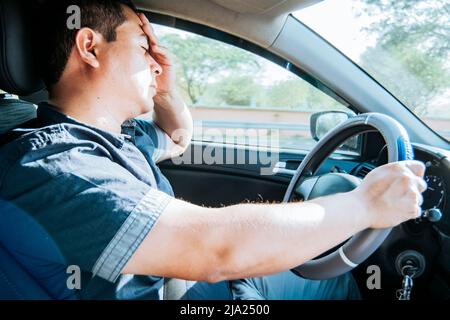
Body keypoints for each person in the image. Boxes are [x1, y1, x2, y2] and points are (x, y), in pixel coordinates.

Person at [0, 0, 427, 300]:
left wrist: (162, 89)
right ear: (89, 47)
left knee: (325, 277)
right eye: (143, 47)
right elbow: (214, 250)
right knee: (331, 281)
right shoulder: (51, 165)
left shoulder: (118, 137)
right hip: (182, 289)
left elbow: (181, 136)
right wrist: (366, 205)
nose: (154, 61)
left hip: (178, 285)